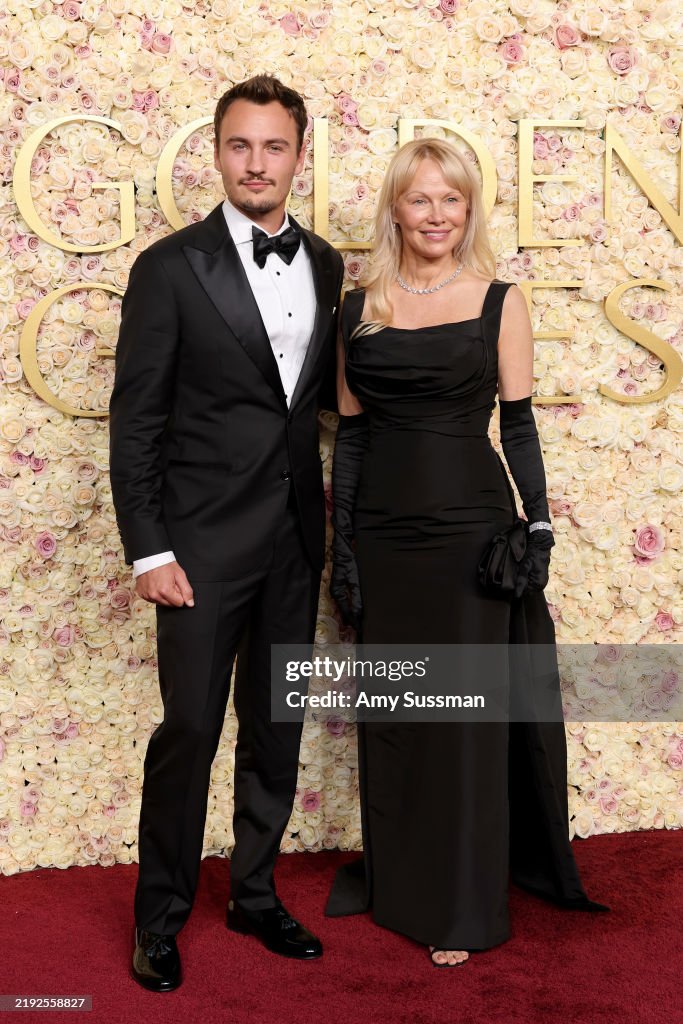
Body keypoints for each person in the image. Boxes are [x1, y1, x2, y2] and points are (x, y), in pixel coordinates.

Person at [325, 138, 608, 967]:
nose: (436, 216)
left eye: (451, 200)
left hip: (469, 538)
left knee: (461, 725)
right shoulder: (359, 305)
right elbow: (349, 437)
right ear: (396, 210)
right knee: (400, 718)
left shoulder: (497, 301)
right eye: (420, 200)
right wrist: (344, 549)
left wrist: (541, 523)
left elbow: (516, 425)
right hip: (384, 538)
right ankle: (405, 885)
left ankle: (461, 910)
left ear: (468, 210)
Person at [109, 75, 344, 991]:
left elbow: (318, 405)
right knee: (190, 733)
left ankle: (254, 893)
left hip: (293, 538)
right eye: (240, 146)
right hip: (198, 549)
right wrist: (149, 548)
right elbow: (136, 422)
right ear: (216, 152)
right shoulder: (169, 267)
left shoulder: (323, 261)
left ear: (298, 155)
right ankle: (157, 918)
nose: (257, 163)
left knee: (274, 729)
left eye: (274, 147)